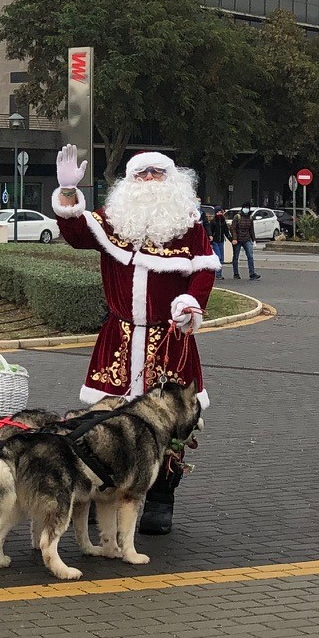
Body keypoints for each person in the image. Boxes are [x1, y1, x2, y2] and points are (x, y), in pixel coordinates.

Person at [50, 147, 220, 535]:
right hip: (121, 337)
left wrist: (191, 303)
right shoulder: (112, 221)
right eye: (140, 174)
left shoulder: (189, 225)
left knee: (170, 421)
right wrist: (67, 192)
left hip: (171, 338)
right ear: (128, 181)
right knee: (109, 417)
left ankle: (161, 497)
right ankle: (103, 492)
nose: (147, 181)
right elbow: (76, 233)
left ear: (171, 180)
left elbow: (204, 271)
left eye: (156, 174)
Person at [229, 207, 259, 281]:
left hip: (247, 238)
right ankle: (236, 274)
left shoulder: (250, 217)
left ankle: (252, 273)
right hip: (238, 239)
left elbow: (251, 229)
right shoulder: (237, 217)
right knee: (236, 256)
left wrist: (254, 240)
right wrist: (234, 238)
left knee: (250, 256)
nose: (247, 209)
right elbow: (233, 228)